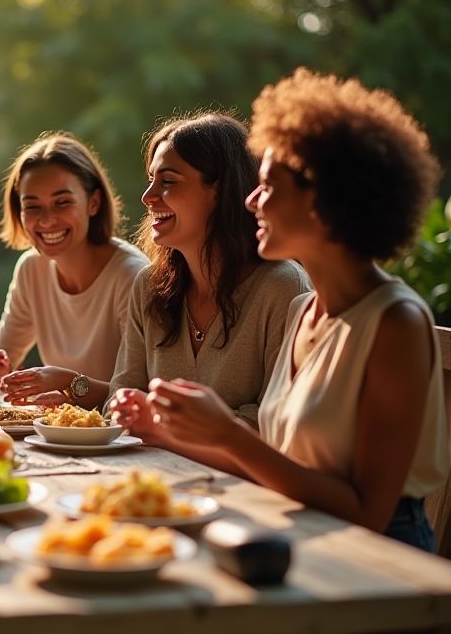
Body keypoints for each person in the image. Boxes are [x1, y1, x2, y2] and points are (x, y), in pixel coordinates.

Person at [124, 69, 447, 550]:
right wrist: (165, 434)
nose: (251, 200)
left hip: (378, 565)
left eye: (270, 186)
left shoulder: (394, 321)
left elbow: (368, 514)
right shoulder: (304, 310)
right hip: (293, 532)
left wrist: (228, 435)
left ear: (324, 202)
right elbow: (275, 464)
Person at [108, 114, 309, 436]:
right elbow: (121, 393)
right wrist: (125, 406)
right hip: (151, 474)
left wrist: (162, 427)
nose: (148, 196)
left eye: (168, 181)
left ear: (220, 190)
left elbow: (277, 417)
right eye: (150, 180)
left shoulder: (282, 286)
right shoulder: (148, 286)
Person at [0, 132, 148, 410]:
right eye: (32, 206)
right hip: (59, 434)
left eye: (62, 202)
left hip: (123, 439)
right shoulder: (31, 268)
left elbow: (140, 392)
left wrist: (70, 386)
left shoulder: (132, 275)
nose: (47, 220)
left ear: (94, 203)